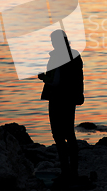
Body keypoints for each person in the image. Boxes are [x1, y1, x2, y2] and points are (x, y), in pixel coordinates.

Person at [38, 29, 84, 181]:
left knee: (58, 135)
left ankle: (66, 171)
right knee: (69, 134)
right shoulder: (75, 55)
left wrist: (43, 77)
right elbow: (78, 78)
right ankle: (74, 171)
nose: (52, 44)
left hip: (57, 99)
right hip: (70, 99)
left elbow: (54, 80)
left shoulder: (57, 57)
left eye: (53, 41)